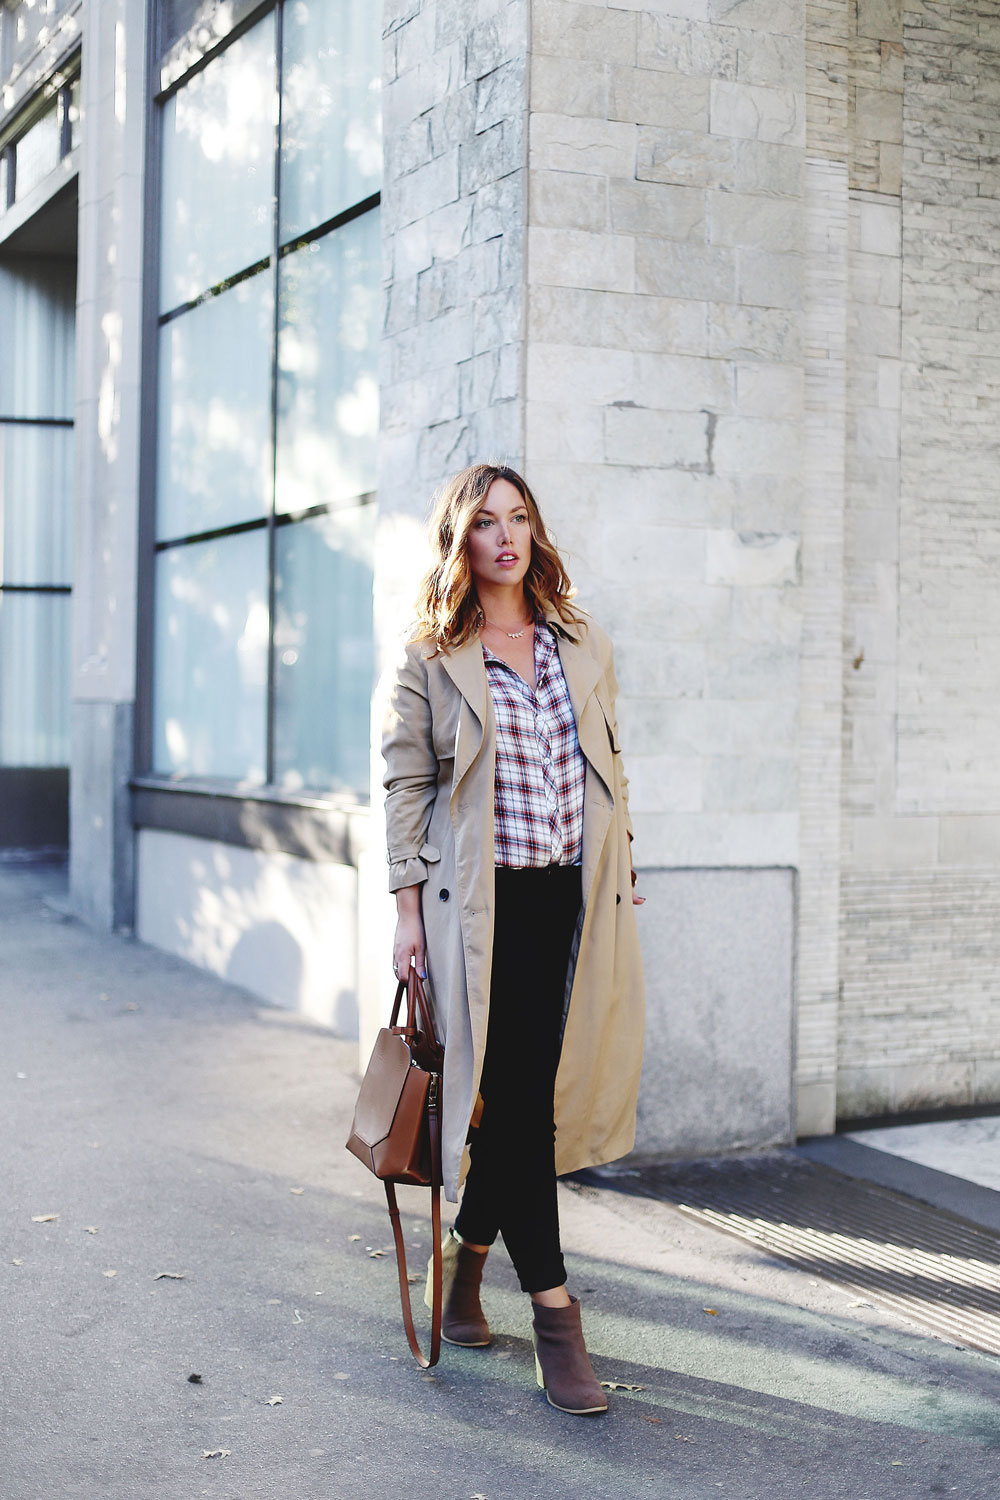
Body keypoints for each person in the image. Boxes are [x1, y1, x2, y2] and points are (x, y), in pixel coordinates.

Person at [380, 462, 645, 1415]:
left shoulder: (579, 641)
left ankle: (462, 1270)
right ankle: (556, 1313)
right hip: (477, 909)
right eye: (486, 522)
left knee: (519, 1099)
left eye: (520, 518)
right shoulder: (430, 655)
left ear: (535, 532)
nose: (506, 535)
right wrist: (407, 913)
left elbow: (610, 764)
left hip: (566, 898)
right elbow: (407, 787)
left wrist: (623, 869)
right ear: (462, 539)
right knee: (521, 1104)